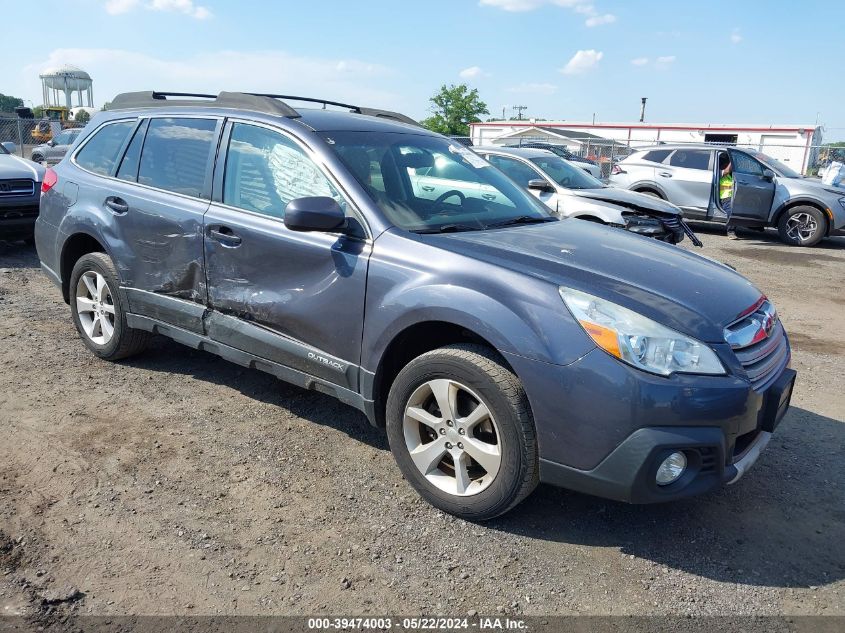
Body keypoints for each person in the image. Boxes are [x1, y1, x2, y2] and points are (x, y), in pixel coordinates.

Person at [719, 153, 737, 239]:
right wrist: (733, 160)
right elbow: (726, 171)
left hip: (734, 197)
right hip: (726, 197)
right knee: (731, 211)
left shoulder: (732, 173)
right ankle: (730, 231)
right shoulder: (720, 171)